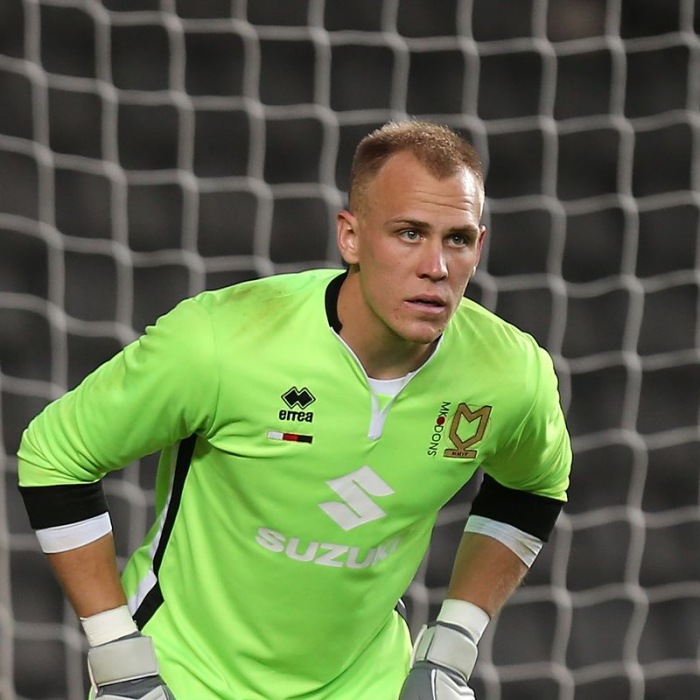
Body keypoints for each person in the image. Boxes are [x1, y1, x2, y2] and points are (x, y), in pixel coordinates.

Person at [17, 120, 571, 700]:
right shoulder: (221, 341)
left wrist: (452, 649)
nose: (435, 265)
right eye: (409, 233)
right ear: (350, 237)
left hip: (365, 682)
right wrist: (118, 658)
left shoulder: (510, 374)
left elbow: (533, 488)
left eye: (456, 239)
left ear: (478, 247)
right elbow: (55, 456)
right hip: (186, 673)